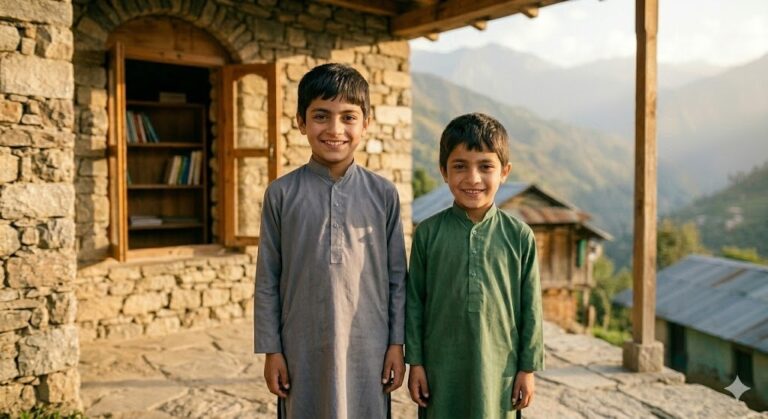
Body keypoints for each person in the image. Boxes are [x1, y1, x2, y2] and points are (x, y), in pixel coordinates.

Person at [254, 63, 407, 419]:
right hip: (301, 346)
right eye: (321, 116)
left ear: (366, 123)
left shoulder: (383, 194)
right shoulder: (281, 194)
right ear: (301, 122)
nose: (335, 129)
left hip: (368, 346)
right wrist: (271, 350)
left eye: (348, 117)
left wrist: (397, 344)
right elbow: (267, 280)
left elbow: (397, 278)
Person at [405, 113, 544, 419]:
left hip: (500, 371)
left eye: (485, 166)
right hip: (441, 368)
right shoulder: (428, 234)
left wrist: (528, 368)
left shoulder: (519, 236)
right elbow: (415, 301)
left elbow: (531, 307)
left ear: (504, 172)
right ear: (443, 171)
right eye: (459, 166)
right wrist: (415, 363)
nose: (473, 178)